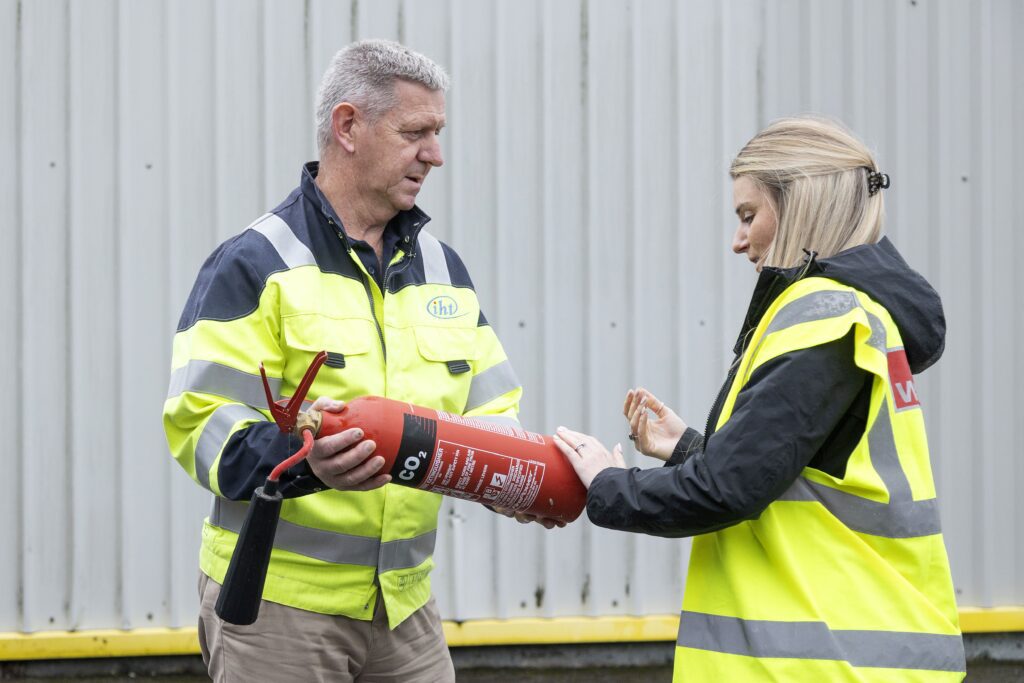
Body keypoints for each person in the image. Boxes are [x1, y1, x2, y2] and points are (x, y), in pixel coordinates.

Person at [553, 117, 966, 681]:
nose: (738, 240)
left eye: (749, 215)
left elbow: (728, 490)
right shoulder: (852, 314)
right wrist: (688, 448)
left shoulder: (822, 314)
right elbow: (796, 477)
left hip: (821, 663)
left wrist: (606, 484)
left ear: (800, 205)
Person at [163, 40, 524, 682]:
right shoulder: (255, 264)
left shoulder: (443, 269)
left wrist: (522, 473)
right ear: (348, 126)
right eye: (415, 132)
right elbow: (199, 424)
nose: (435, 155)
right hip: (277, 612)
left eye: (436, 133)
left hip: (405, 610)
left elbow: (495, 411)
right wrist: (304, 463)